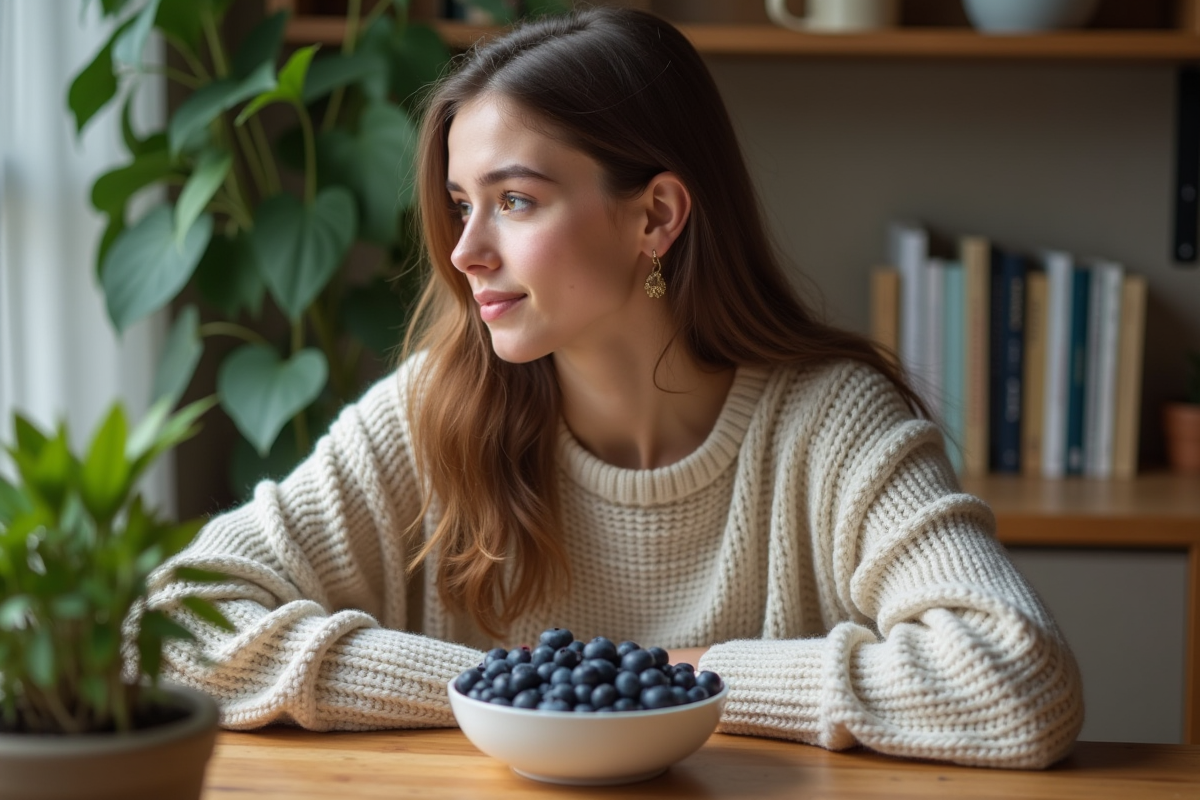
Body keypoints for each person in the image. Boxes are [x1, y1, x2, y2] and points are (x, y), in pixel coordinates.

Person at [148, 6, 1083, 769]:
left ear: (656, 217)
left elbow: (1017, 682)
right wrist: (507, 692)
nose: (466, 252)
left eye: (515, 201)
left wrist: (668, 680)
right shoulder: (434, 409)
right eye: (462, 205)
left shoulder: (829, 423)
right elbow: (170, 625)